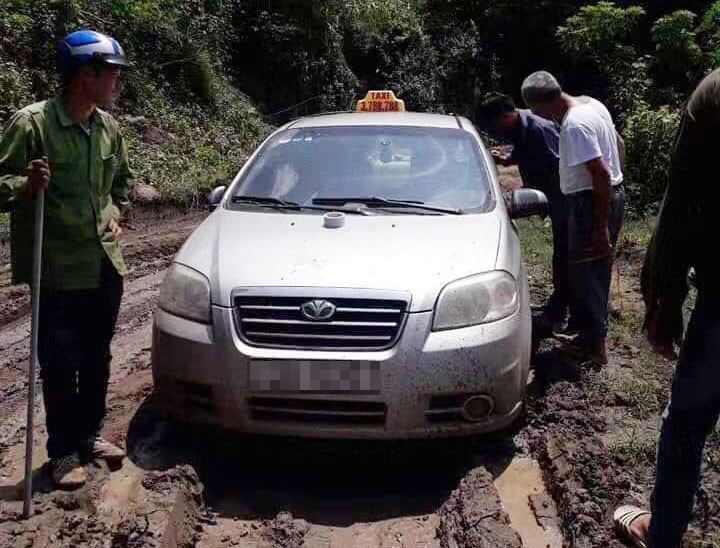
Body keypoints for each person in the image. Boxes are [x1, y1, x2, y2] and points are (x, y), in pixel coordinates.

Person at [0, 30, 132, 489]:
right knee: (59, 361)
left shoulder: (109, 128)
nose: (118, 83)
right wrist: (25, 186)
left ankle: (89, 435)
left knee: (97, 356)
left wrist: (117, 213)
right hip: (56, 266)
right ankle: (61, 453)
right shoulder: (33, 125)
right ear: (84, 75)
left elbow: (121, 186)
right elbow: (1, 183)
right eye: (112, 73)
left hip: (103, 263)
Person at [613, 68, 720, 548]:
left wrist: (664, 297)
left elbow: (683, 200)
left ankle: (663, 533)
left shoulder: (714, 90)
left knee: (688, 422)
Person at [520, 71, 625, 365]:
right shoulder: (592, 105)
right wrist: (619, 184)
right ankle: (588, 336)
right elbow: (619, 144)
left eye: (537, 111)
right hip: (608, 195)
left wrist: (600, 225)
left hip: (591, 201)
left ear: (540, 105)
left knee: (587, 275)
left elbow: (600, 173)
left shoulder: (574, 125)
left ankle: (595, 348)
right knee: (594, 270)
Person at [476, 92, 570, 330]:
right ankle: (560, 304)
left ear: (506, 115)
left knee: (567, 255)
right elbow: (526, 151)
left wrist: (551, 200)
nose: (495, 131)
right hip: (554, 198)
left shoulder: (540, 129)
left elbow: (561, 166)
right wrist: (508, 159)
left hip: (565, 199)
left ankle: (563, 310)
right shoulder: (519, 128)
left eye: (494, 124)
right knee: (562, 254)